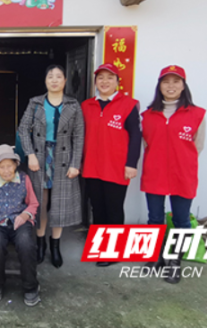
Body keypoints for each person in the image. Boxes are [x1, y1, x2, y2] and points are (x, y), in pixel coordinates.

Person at [141, 65, 206, 284]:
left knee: (181, 221)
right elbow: (146, 144)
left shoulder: (197, 114)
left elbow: (198, 146)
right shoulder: (148, 115)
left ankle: (174, 262)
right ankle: (156, 258)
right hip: (155, 173)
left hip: (182, 175)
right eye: (166, 82)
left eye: (176, 82)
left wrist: (180, 162)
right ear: (159, 86)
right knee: (155, 219)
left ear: (183, 86)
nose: (171, 86)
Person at [17, 64, 84, 268]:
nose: (54, 80)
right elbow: (22, 129)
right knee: (41, 200)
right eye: (50, 77)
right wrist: (30, 155)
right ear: (45, 81)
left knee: (59, 203)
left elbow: (79, 136)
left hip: (64, 157)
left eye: (58, 76)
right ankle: (40, 244)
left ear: (65, 81)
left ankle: (55, 246)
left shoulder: (73, 104)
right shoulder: (35, 103)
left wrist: (75, 163)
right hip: (40, 156)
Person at [81, 63, 142, 267]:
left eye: (109, 78)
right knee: (97, 208)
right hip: (91, 166)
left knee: (114, 209)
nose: (104, 82)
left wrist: (131, 164)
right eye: (100, 78)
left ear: (117, 82)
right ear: (95, 81)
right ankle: (100, 247)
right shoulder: (87, 105)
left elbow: (135, 136)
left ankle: (113, 251)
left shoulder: (129, 105)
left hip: (116, 167)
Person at [0, 144, 40, 306]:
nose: (6, 171)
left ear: (16, 165)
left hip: (20, 219)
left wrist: (25, 215)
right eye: (2, 167)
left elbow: (33, 203)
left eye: (9, 166)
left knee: (26, 243)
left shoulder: (24, 178)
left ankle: (30, 286)